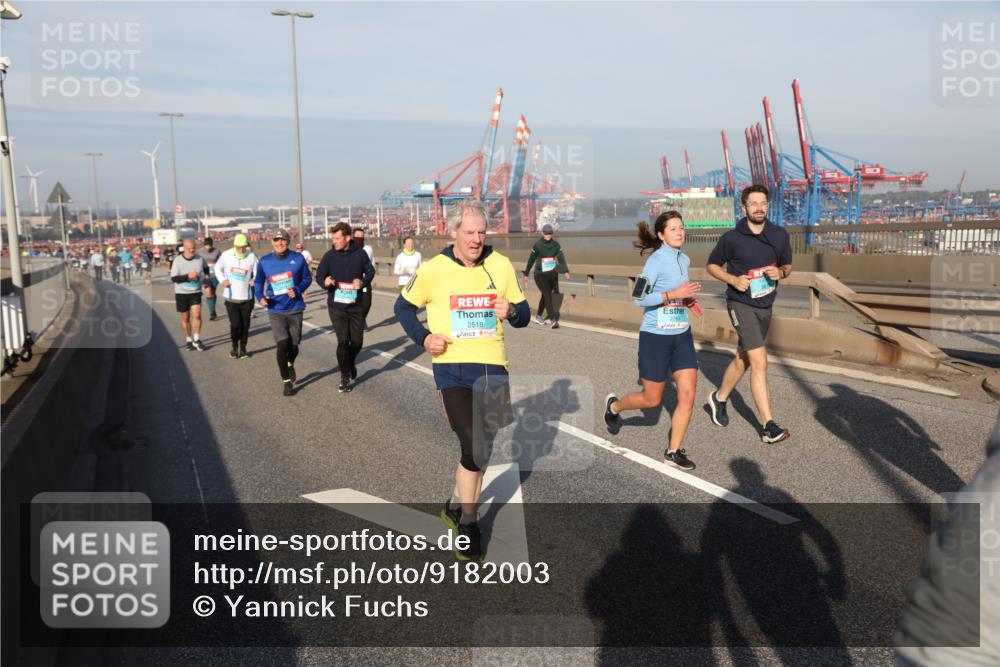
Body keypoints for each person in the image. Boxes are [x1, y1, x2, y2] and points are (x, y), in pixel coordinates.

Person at [394, 200, 530, 561]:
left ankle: (457, 502)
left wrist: (512, 310)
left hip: (493, 368)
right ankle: (468, 523)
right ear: (453, 232)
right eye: (469, 232)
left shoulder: (499, 265)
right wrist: (423, 338)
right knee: (474, 444)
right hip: (451, 367)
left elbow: (525, 314)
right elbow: (403, 307)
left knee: (482, 446)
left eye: (482, 232)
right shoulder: (434, 269)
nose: (476, 239)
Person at [603, 211, 702, 470]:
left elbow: (677, 292)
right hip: (656, 337)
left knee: (688, 395)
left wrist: (687, 301)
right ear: (661, 235)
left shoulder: (685, 259)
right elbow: (638, 298)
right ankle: (614, 407)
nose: (680, 232)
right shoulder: (656, 262)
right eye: (673, 229)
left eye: (681, 227)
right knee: (651, 399)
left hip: (681, 334)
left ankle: (673, 450)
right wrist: (673, 294)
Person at [705, 184, 793, 444]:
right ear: (743, 208)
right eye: (753, 203)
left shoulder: (779, 235)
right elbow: (712, 265)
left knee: (743, 358)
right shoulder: (732, 238)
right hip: (740, 304)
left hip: (766, 304)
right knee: (760, 362)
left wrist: (782, 273)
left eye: (763, 203)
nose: (758, 208)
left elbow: (787, 265)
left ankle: (718, 398)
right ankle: (768, 425)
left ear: (768, 206)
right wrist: (733, 279)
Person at [315, 223, 376, 392]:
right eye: (333, 238)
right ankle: (344, 377)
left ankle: (350, 363)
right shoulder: (329, 256)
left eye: (337, 238)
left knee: (357, 342)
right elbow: (319, 276)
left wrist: (362, 282)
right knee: (343, 341)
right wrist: (325, 282)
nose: (334, 241)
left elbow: (370, 271)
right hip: (336, 306)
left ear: (348, 238)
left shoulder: (360, 254)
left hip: (356, 305)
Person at [253, 229, 312, 396]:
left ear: (288, 242)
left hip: (295, 308)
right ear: (272, 242)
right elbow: (258, 282)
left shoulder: (298, 258)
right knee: (282, 344)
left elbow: (307, 278)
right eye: (277, 240)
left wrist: (298, 289)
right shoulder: (264, 261)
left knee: (294, 346)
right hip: (275, 309)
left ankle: (289, 363)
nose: (280, 243)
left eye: (283, 240)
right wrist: (260, 296)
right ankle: (286, 382)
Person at [215, 234, 259, 359]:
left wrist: (254, 279)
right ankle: (234, 346)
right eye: (239, 247)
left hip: (247, 298)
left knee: (245, 325)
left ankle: (243, 348)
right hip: (231, 298)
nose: (241, 249)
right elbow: (217, 268)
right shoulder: (226, 255)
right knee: (235, 325)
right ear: (234, 246)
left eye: (243, 247)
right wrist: (223, 280)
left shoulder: (251, 256)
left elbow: (259, 271)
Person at [523, 223, 570, 328]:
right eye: (546, 233)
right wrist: (526, 273)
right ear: (542, 233)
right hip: (540, 275)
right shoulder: (538, 245)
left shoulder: (556, 245)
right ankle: (553, 320)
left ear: (552, 233)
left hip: (552, 275)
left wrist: (566, 271)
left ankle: (539, 316)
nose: (548, 235)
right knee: (548, 295)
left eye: (550, 233)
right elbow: (531, 260)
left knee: (545, 295)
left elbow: (561, 258)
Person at [170, 238, 210, 351]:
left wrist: (207, 277)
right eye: (189, 248)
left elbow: (206, 268)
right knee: (186, 318)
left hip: (196, 291)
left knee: (197, 315)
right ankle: (188, 340)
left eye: (193, 248)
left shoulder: (200, 258)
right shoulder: (177, 261)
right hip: (181, 293)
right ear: (184, 248)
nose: (192, 250)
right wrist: (188, 276)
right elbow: (174, 278)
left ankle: (197, 339)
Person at [352, 227, 375, 325]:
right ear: (353, 237)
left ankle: (360, 318)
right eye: (357, 236)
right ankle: (356, 320)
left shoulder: (368, 249)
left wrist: (369, 275)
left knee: (367, 303)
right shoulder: (349, 250)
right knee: (353, 303)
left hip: (365, 282)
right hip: (352, 282)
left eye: (362, 237)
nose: (360, 238)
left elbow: (372, 263)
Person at [200, 237, 222, 321]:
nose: (208, 247)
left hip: (215, 275)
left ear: (212, 245)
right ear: (204, 245)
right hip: (204, 275)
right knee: (208, 292)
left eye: (209, 245)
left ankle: (213, 310)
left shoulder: (217, 251)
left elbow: (222, 261)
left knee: (213, 292)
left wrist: (216, 265)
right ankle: (212, 313)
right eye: (206, 245)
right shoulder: (200, 252)